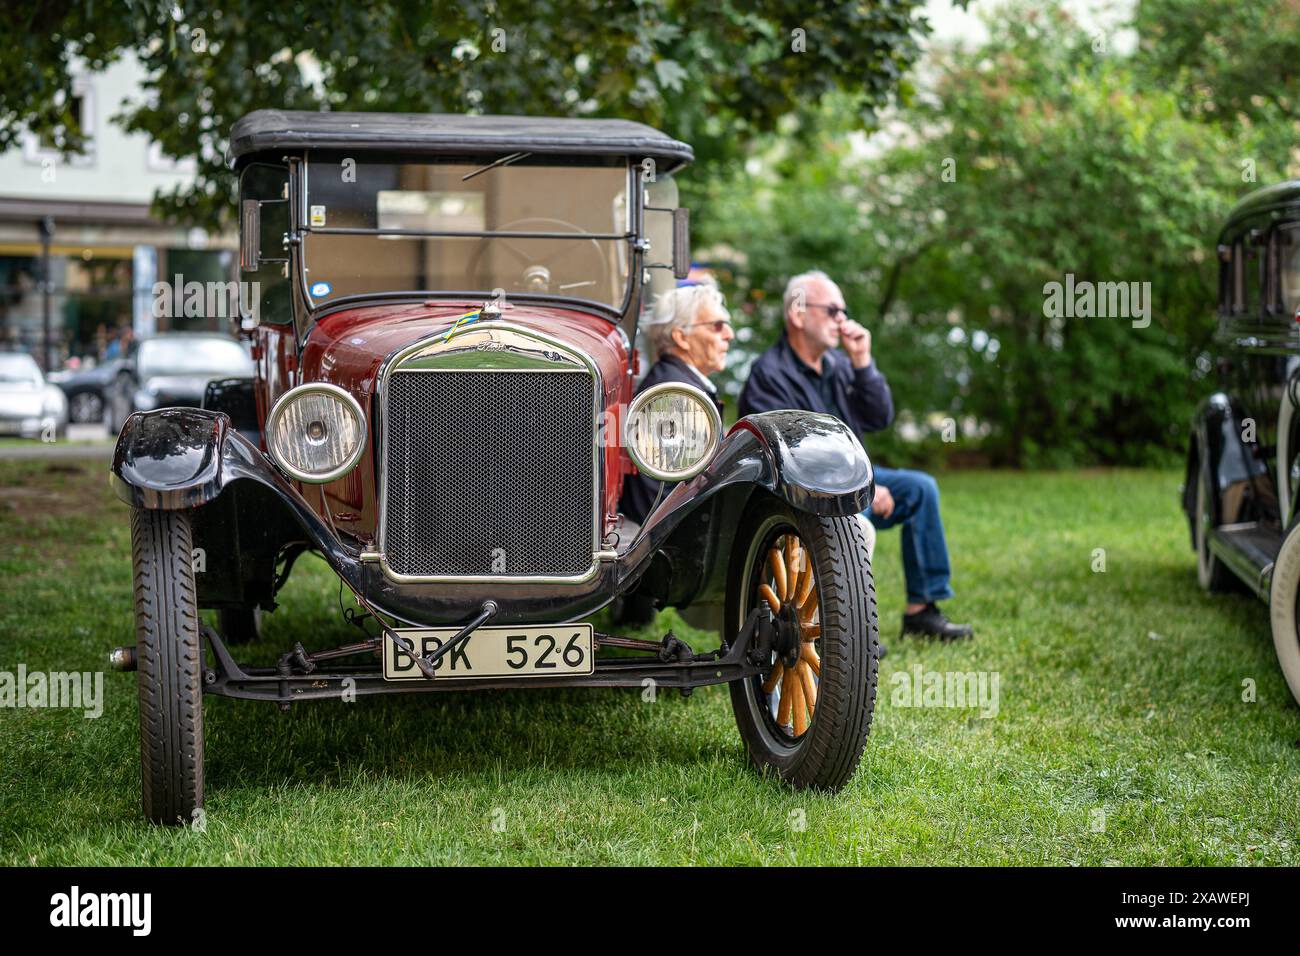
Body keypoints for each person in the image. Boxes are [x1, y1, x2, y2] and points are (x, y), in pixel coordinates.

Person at [738, 270, 973, 640]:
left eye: (843, 311)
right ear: (798, 314)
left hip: (855, 476)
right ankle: (843, 634)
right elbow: (789, 459)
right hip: (804, 495)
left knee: (921, 489)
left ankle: (921, 612)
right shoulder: (769, 374)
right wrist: (866, 489)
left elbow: (880, 417)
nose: (842, 321)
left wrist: (863, 361)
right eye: (833, 310)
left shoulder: (840, 366)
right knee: (854, 509)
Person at [620, 276, 733, 526]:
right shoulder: (676, 397)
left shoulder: (675, 385)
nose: (729, 334)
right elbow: (667, 499)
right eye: (717, 325)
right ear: (682, 337)